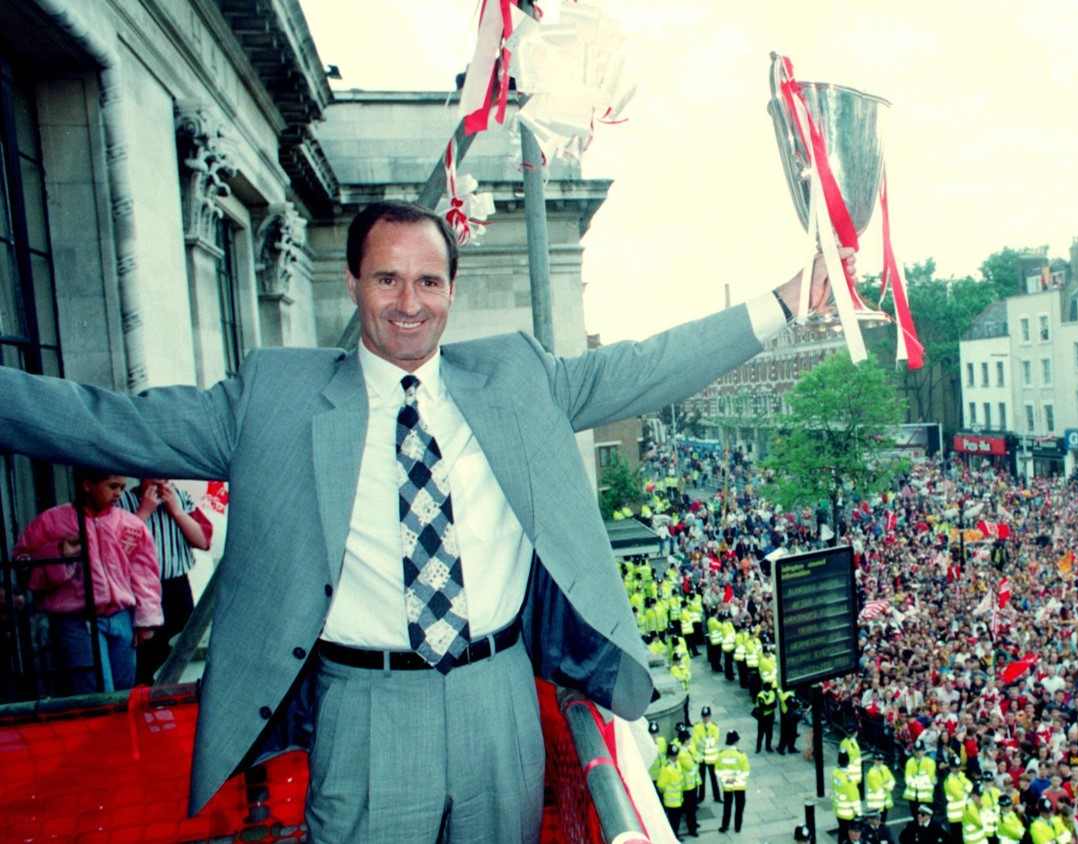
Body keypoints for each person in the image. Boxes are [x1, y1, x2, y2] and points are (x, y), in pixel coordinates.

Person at [0, 199, 830, 842]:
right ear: (354, 283)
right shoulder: (275, 398)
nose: (409, 303)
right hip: (362, 711)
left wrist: (784, 304)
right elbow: (105, 421)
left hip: (499, 701)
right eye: (386, 279)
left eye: (428, 281)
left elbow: (646, 366)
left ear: (451, 292)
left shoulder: (516, 377)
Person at [12, 469, 163, 695]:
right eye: (112, 487)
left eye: (122, 488)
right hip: (77, 620)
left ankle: (118, 730)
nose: (118, 494)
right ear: (87, 485)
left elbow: (144, 573)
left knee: (123, 689)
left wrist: (145, 619)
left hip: (121, 616)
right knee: (96, 692)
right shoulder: (52, 521)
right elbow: (23, 565)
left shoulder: (129, 524)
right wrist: (60, 552)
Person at [118, 478, 213, 685]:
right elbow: (116, 549)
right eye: (154, 475)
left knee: (181, 645)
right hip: (140, 590)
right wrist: (144, 511)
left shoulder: (180, 497)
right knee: (149, 653)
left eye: (165, 475)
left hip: (177, 586)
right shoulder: (123, 501)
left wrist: (177, 512)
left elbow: (203, 541)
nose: (161, 480)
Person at [717, 729, 750, 834]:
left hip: (727, 784)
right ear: (736, 741)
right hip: (739, 785)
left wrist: (727, 780)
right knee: (739, 807)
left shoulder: (721, 754)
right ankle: (737, 827)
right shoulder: (741, 755)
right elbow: (746, 772)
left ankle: (724, 826)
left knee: (727, 806)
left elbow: (718, 771)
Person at [693, 705, 723, 804]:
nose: (705, 718)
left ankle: (717, 796)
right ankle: (701, 796)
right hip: (701, 756)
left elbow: (715, 739)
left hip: (711, 756)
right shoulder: (697, 726)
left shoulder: (714, 726)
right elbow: (696, 740)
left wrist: (704, 742)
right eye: (704, 716)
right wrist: (707, 743)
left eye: (707, 716)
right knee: (702, 777)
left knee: (713, 777)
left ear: (710, 716)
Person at [834, 749, 864, 839]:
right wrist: (859, 813)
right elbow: (854, 798)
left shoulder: (835, 773)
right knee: (848, 836)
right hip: (847, 813)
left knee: (841, 832)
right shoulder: (849, 780)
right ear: (848, 761)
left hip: (838, 809)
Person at [866, 752, 896, 822]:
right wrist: (887, 786)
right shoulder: (871, 773)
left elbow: (892, 780)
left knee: (883, 820)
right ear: (874, 760)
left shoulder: (885, 768)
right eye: (878, 760)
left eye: (881, 760)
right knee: (876, 821)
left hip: (885, 801)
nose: (879, 762)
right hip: (877, 802)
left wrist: (885, 786)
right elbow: (877, 790)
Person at [755, 680, 779, 752]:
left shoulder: (771, 693)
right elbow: (763, 706)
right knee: (761, 733)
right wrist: (769, 706)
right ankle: (760, 748)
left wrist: (767, 706)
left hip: (768, 716)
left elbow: (774, 705)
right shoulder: (760, 695)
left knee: (768, 733)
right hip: (763, 716)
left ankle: (766, 747)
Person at [777, 686, 801, 754]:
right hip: (790, 716)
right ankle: (790, 748)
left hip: (785, 715)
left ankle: (781, 748)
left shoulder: (782, 693)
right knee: (791, 733)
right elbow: (794, 704)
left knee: (784, 733)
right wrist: (797, 702)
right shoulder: (789, 695)